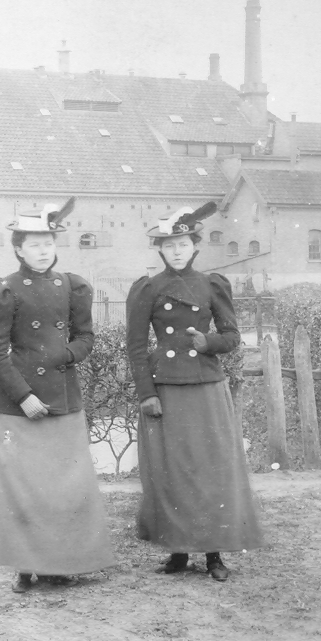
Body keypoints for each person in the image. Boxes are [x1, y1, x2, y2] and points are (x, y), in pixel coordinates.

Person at [0, 198, 116, 593]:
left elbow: (86, 336)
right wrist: (23, 396)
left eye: (48, 243)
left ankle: (59, 565)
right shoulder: (3, 290)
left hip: (63, 399)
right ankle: (26, 566)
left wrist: (68, 355)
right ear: (18, 248)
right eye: (34, 244)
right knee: (24, 487)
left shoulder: (72, 286)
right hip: (17, 405)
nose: (43, 250)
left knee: (64, 486)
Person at [125, 202, 265, 581]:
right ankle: (177, 552)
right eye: (169, 245)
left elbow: (233, 337)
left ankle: (214, 555)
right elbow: (136, 347)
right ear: (160, 249)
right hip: (167, 388)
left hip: (205, 385)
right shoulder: (147, 289)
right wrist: (146, 394)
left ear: (195, 246)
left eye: (183, 243)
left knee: (212, 471)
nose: (177, 251)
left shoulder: (211, 284)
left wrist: (208, 343)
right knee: (172, 470)